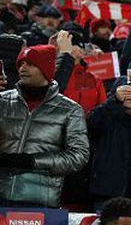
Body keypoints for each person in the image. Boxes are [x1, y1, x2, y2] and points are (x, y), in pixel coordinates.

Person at [0, 45, 89, 207]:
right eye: (21, 63)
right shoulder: (2, 101)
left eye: (30, 64)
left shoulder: (70, 110)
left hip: (41, 201)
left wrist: (33, 161)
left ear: (46, 70)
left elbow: (79, 156)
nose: (23, 68)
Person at [87, 78, 131, 209]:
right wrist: (114, 101)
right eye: (124, 90)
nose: (129, 93)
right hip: (108, 195)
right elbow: (91, 122)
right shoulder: (106, 119)